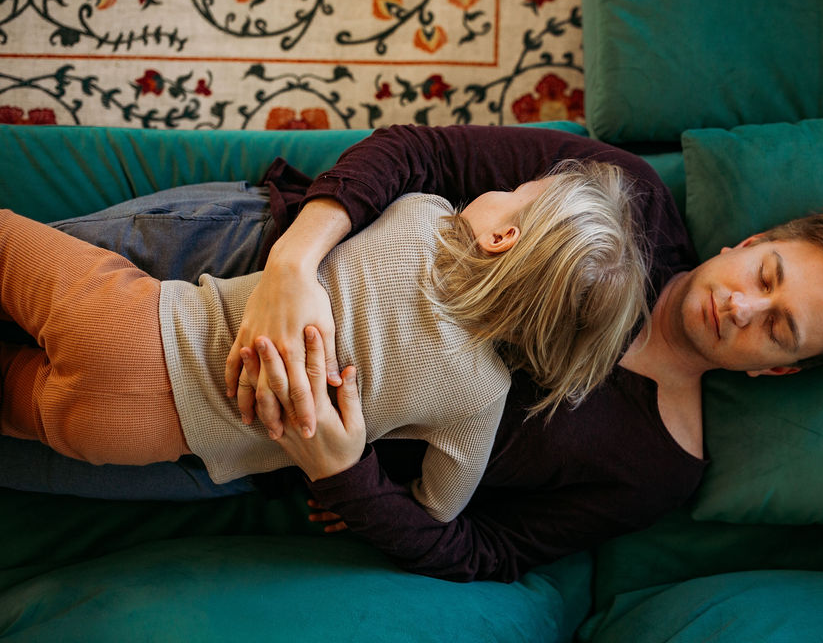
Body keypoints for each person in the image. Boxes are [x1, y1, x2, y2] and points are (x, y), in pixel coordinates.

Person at [0, 125, 823, 582]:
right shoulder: (625, 193)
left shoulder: (659, 468)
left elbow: (476, 549)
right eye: (769, 272)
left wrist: (344, 474)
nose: (743, 304)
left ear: (772, 371)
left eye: (777, 329)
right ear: (747, 241)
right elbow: (417, 151)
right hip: (242, 256)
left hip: (242, 427)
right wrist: (292, 265)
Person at [0, 159, 649, 523]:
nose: (492, 189)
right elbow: (439, 509)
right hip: (133, 435)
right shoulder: (482, 400)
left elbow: (383, 168)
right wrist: (360, 495)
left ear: (501, 237)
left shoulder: (424, 214)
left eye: (511, 191)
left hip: (134, 324)